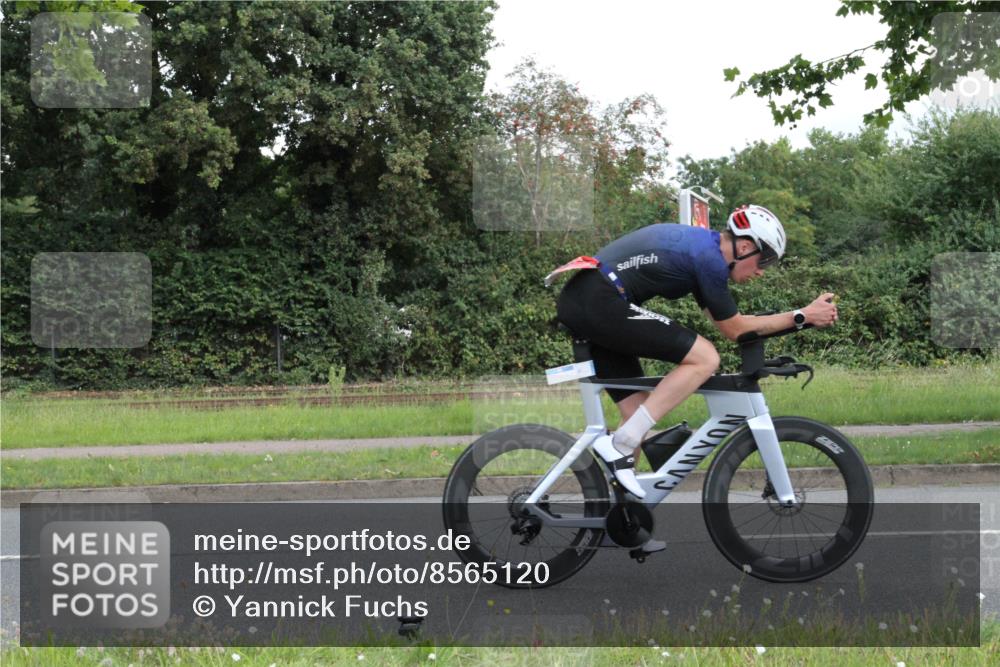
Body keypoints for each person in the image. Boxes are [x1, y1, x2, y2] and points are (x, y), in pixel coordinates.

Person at [552, 205, 839, 552]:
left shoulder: (705, 255)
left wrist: (801, 318)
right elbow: (736, 331)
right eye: (764, 261)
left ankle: (627, 521)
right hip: (598, 301)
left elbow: (736, 325)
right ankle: (621, 445)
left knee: (637, 414)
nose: (761, 272)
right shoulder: (710, 260)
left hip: (592, 299)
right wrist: (802, 316)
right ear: (746, 247)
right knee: (705, 358)